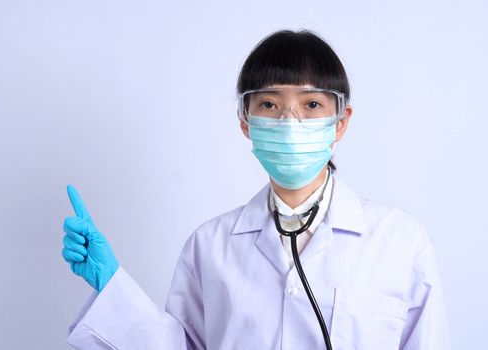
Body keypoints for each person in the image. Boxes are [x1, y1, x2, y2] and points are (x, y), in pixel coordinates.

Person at [61, 29, 450, 349]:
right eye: (268, 104)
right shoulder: (209, 246)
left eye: (312, 104)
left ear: (341, 121)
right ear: (246, 122)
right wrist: (112, 286)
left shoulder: (400, 242)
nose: (289, 121)